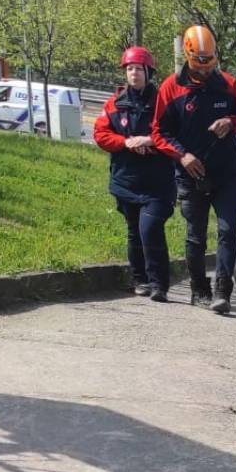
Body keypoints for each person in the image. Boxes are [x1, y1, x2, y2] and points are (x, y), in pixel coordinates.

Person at [151, 24, 236, 314]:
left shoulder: (229, 84)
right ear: (188, 57)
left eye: (210, 63)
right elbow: (159, 132)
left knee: (228, 229)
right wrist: (182, 156)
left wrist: (232, 122)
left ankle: (223, 290)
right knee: (196, 235)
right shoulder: (170, 88)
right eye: (199, 64)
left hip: (226, 172)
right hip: (190, 174)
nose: (206, 70)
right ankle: (199, 289)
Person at [93, 46, 174, 302]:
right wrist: (125, 142)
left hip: (157, 182)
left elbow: (174, 134)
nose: (134, 73)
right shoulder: (115, 104)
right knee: (134, 231)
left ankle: (159, 283)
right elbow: (101, 134)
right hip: (126, 180)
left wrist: (149, 141)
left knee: (149, 228)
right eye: (129, 69)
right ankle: (140, 279)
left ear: (148, 72)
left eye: (138, 69)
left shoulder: (163, 103)